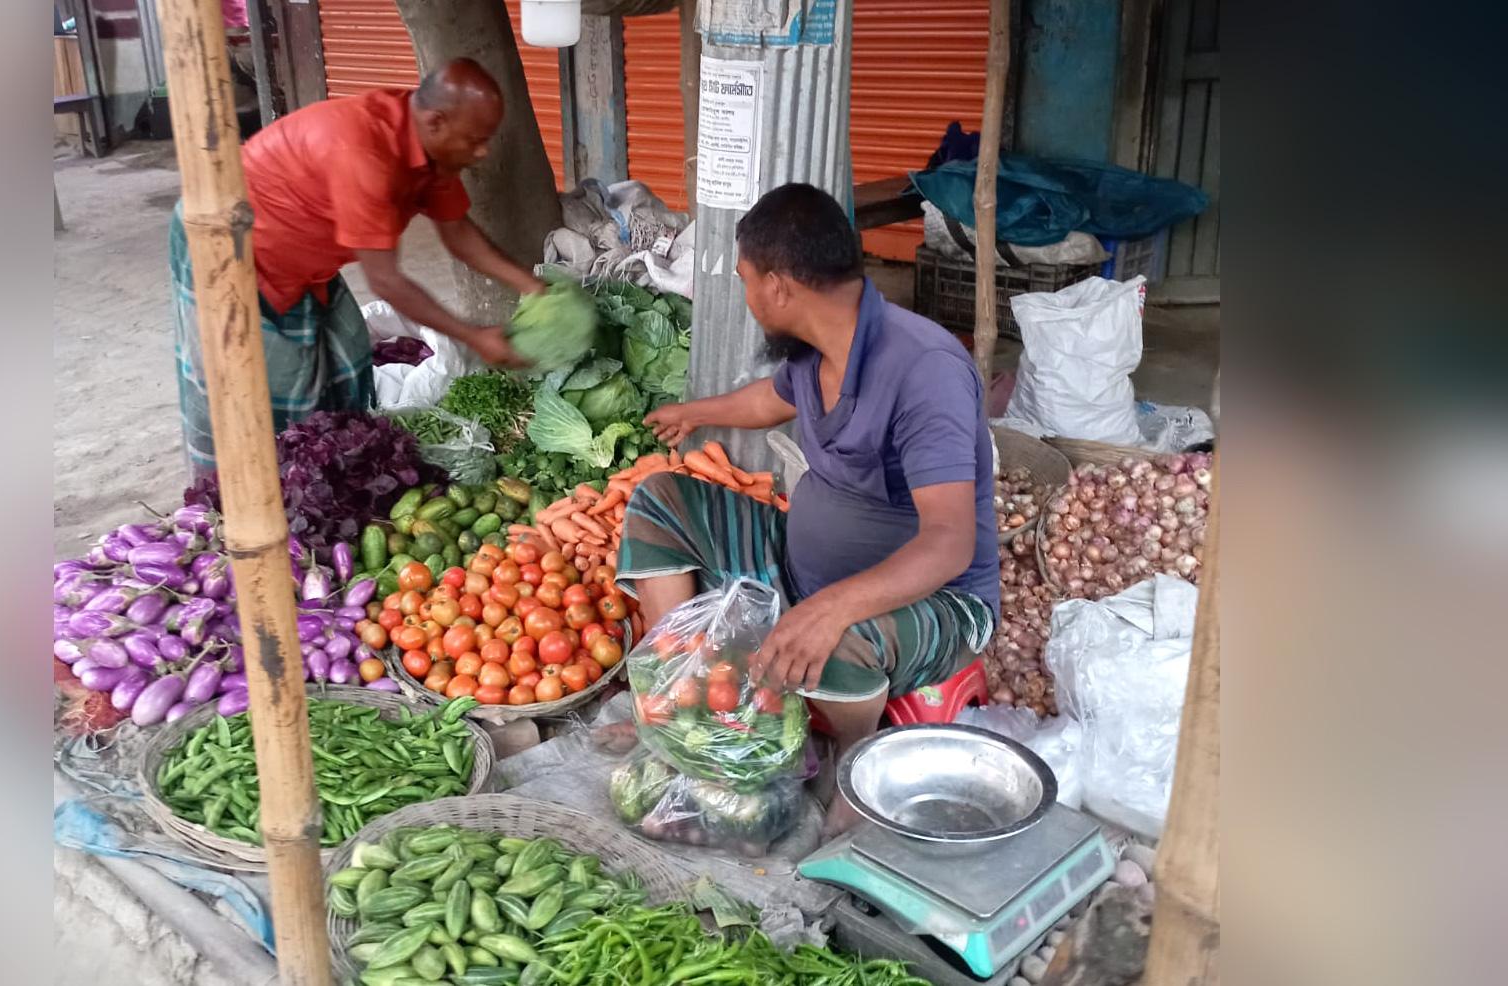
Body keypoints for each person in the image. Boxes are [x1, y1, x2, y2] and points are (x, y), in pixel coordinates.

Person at [621, 183, 998, 835]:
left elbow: (949, 543)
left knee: (835, 642)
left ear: (778, 286)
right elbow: (769, 402)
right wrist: (695, 412)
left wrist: (832, 608)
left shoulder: (923, 368)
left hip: (935, 600)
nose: (745, 299)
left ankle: (852, 769)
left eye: (745, 280)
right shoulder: (816, 351)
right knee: (661, 499)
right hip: (803, 570)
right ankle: (690, 693)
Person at [169, 58, 544, 477]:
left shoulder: (431, 148)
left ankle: (326, 472)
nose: (483, 151)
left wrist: (532, 286)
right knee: (252, 395)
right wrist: (473, 337)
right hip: (233, 247)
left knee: (345, 358)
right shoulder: (364, 152)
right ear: (437, 121)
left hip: (308, 262)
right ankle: (234, 499)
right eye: (476, 140)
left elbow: (458, 234)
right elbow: (386, 281)